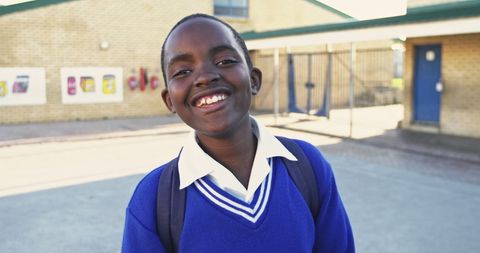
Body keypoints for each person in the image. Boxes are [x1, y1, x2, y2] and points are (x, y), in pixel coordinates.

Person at [122, 13, 354, 253]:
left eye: (224, 61)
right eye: (182, 72)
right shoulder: (153, 200)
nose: (204, 77)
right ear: (170, 100)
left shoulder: (307, 166)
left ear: (254, 80)